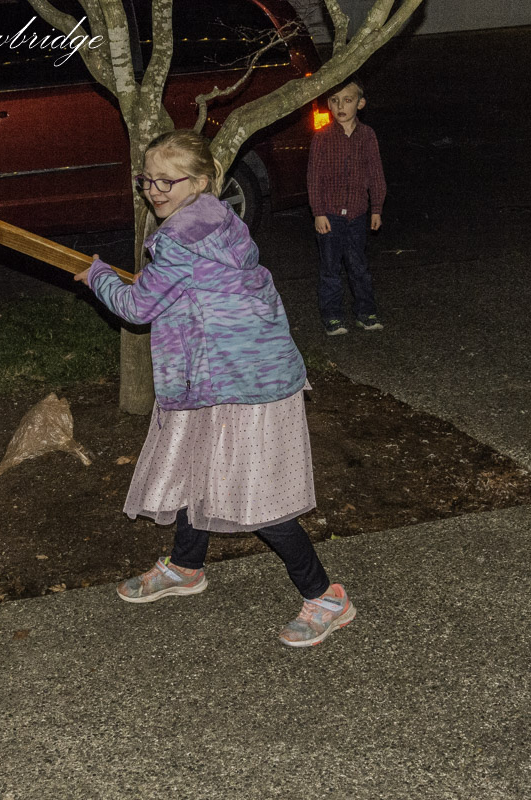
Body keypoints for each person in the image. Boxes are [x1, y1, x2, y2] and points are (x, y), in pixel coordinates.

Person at [74, 130, 355, 647]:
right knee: (194, 466)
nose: (154, 191)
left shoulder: (181, 240)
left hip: (242, 385)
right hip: (222, 374)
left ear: (202, 182)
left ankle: (325, 596)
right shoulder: (217, 222)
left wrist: (98, 277)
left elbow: (137, 307)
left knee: (257, 498)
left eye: (167, 181)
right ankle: (187, 565)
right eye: (147, 180)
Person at [307, 76, 387, 336]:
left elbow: (375, 173)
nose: (341, 106)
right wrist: (318, 212)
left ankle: (366, 312)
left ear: (360, 103)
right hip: (330, 215)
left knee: (358, 266)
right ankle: (332, 316)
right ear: (329, 105)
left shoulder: (368, 136)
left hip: (357, 214)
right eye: (335, 100)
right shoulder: (322, 138)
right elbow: (314, 178)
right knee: (330, 268)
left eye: (348, 100)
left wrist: (377, 208)